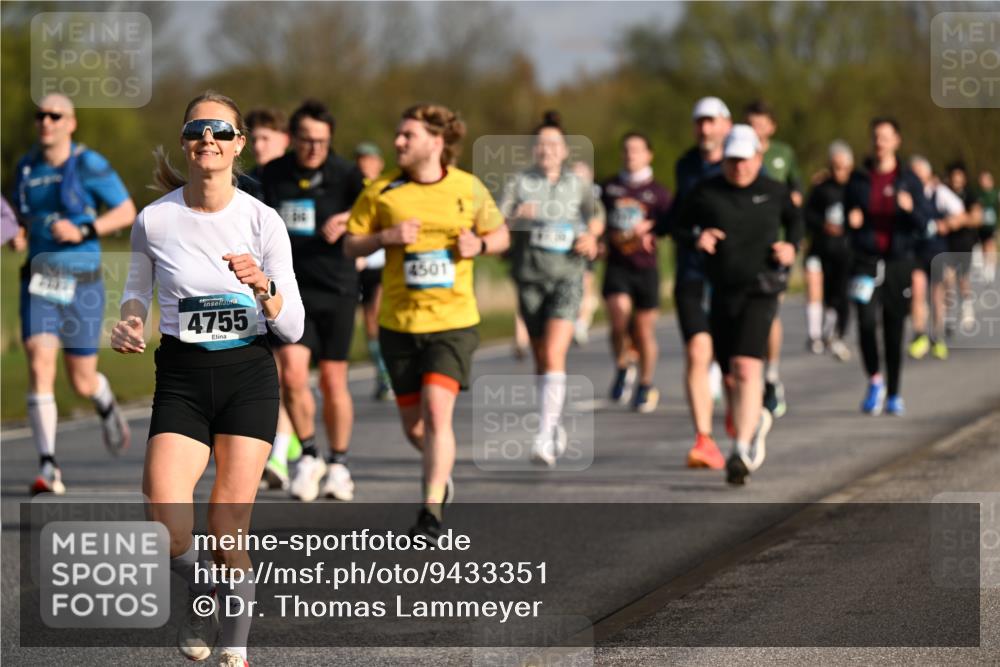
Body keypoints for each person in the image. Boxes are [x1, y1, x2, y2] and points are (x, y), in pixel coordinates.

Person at [113, 90, 304, 667]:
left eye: (222, 131)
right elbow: (134, 291)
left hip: (247, 373)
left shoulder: (262, 220)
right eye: (198, 130)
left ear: (238, 144)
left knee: (225, 529)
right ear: (185, 142)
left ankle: (237, 645)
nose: (209, 140)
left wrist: (263, 288)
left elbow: (292, 327)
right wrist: (129, 323)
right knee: (166, 529)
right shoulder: (156, 219)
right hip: (182, 378)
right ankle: (203, 590)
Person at [345, 103, 509, 541]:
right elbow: (349, 245)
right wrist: (384, 238)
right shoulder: (383, 191)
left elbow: (502, 234)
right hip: (399, 323)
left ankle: (430, 511)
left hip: (454, 320)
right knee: (416, 427)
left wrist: (481, 244)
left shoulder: (468, 188)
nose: (397, 142)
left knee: (438, 414)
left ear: (436, 142)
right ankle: (441, 470)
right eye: (398, 135)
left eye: (407, 135)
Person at [12, 93, 136, 495]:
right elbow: (22, 216)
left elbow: (126, 211)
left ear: (71, 122)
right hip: (40, 282)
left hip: (83, 284)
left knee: (80, 379)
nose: (46, 121)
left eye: (55, 115)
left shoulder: (89, 163)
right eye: (40, 115)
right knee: (38, 359)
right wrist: (19, 234)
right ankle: (48, 466)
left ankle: (103, 400)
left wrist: (85, 230)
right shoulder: (26, 167)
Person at [677, 124, 801, 485]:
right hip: (721, 291)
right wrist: (698, 236)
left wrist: (791, 246)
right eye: (732, 160)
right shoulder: (706, 191)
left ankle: (741, 448)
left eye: (745, 160)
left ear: (758, 158)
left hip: (761, 288)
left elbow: (796, 223)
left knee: (747, 367)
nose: (739, 167)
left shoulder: (774, 191)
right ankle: (753, 420)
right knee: (730, 375)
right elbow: (680, 227)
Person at [260, 99, 365, 502]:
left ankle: (338, 463)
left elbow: (377, 209)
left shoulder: (346, 174)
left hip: (335, 288)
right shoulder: (273, 174)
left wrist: (349, 218)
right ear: (293, 139)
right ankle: (307, 454)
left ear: (330, 140)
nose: (313, 149)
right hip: (290, 290)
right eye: (306, 140)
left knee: (335, 380)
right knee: (291, 375)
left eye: (321, 142)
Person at [500, 111, 603, 467]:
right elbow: (497, 228)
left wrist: (591, 237)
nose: (547, 150)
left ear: (564, 150)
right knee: (542, 356)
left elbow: (597, 216)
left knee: (556, 351)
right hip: (530, 278)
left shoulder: (578, 184)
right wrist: (516, 219)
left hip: (567, 276)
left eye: (554, 144)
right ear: (534, 150)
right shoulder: (518, 182)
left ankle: (543, 436)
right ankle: (553, 422)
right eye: (541, 144)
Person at [657, 96, 732, 470]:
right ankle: (704, 438)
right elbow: (677, 216)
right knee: (697, 352)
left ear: (726, 126)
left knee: (730, 361)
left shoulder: (740, 165)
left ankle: (738, 412)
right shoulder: (685, 165)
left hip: (730, 274)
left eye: (711, 122)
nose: (704, 129)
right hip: (690, 269)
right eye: (699, 122)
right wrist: (656, 227)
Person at [844, 117, 930, 416]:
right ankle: (875, 380)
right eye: (876, 137)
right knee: (866, 323)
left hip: (898, 262)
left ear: (897, 141)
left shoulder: (908, 179)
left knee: (894, 329)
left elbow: (924, 221)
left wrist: (909, 209)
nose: (880, 143)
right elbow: (844, 215)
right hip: (866, 262)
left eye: (885, 137)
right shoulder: (859, 179)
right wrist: (851, 221)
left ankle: (894, 393)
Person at [239, 107, 301, 491]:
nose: (259, 146)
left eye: (267, 139)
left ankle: (285, 450)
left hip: (296, 286)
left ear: (285, 141)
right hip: (252, 289)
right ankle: (285, 443)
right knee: (270, 371)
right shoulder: (244, 184)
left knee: (292, 371)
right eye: (255, 139)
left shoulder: (295, 181)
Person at [601, 132, 671, 412]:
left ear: (648, 155)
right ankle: (621, 364)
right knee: (618, 317)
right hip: (617, 266)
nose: (631, 155)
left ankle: (645, 382)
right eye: (627, 150)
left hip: (646, 268)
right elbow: (595, 218)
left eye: (637, 150)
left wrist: (652, 230)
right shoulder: (609, 188)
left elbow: (671, 223)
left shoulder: (659, 192)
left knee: (643, 331)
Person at [745, 100, 803, 418]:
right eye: (749, 123)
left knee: (770, 309)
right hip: (743, 243)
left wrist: (793, 200)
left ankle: (771, 375)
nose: (755, 129)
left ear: (771, 126)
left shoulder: (783, 153)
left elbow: (797, 189)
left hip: (775, 243)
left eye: (760, 124)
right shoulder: (736, 152)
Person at [908, 156, 965, 361]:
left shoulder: (938, 193)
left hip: (936, 251)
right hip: (914, 251)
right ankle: (919, 335)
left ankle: (937, 336)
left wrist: (947, 224)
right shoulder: (907, 195)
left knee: (936, 296)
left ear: (927, 174)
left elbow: (959, 212)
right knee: (917, 290)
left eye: (918, 173)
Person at [803, 140, 855, 361]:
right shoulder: (821, 188)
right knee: (815, 285)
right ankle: (815, 334)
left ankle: (834, 335)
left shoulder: (856, 188)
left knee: (840, 294)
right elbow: (807, 214)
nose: (839, 171)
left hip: (845, 251)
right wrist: (823, 225)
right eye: (835, 167)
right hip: (821, 248)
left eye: (843, 167)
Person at [353, 142, 394, 401]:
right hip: (360, 265)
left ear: (378, 163)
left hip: (381, 265)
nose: (364, 165)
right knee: (369, 323)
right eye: (360, 161)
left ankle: (389, 375)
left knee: (378, 315)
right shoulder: (354, 190)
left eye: (369, 160)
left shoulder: (387, 191)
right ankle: (382, 373)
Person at [942, 161, 983, 334]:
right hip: (946, 243)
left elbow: (977, 218)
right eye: (954, 177)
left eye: (960, 177)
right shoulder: (944, 193)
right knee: (947, 279)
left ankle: (967, 307)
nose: (956, 180)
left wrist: (960, 220)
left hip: (964, 242)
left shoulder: (970, 195)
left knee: (962, 279)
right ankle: (948, 316)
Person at [977, 170, 998, 282]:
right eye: (982, 180)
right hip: (981, 225)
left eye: (986, 180)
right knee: (984, 245)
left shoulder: (996, 193)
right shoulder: (978, 195)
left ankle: (991, 268)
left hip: (992, 225)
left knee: (991, 244)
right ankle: (985, 264)